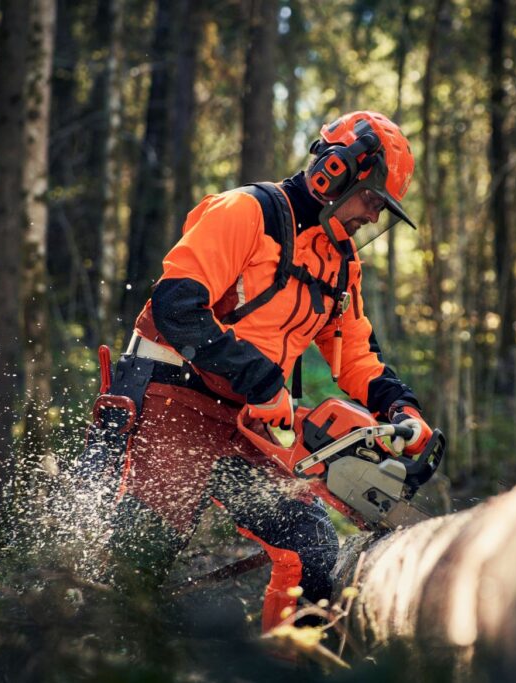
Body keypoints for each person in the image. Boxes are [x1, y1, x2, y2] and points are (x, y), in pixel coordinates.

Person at [79, 110, 435, 632]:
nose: (375, 217)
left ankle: (289, 664)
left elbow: (355, 354)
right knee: (140, 552)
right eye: (373, 199)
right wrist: (262, 382)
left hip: (246, 423)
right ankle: (88, 649)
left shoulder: (338, 263)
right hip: (172, 401)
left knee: (310, 546)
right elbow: (177, 304)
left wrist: (399, 407)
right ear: (335, 172)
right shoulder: (245, 213)